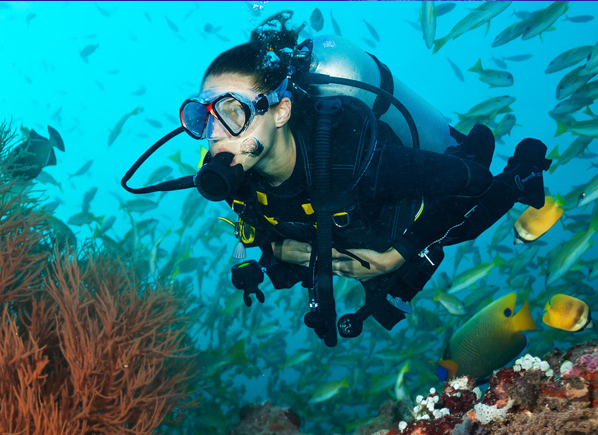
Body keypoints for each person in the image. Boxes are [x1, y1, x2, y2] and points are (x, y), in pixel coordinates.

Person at [179, 13, 551, 344]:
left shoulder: (355, 160)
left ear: (281, 111)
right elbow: (259, 225)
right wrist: (274, 250)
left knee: (466, 220)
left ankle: (521, 170)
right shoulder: (231, 173)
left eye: (233, 112)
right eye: (203, 116)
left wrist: (397, 256)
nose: (216, 134)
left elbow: (474, 181)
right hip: (347, 233)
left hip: (411, 212)